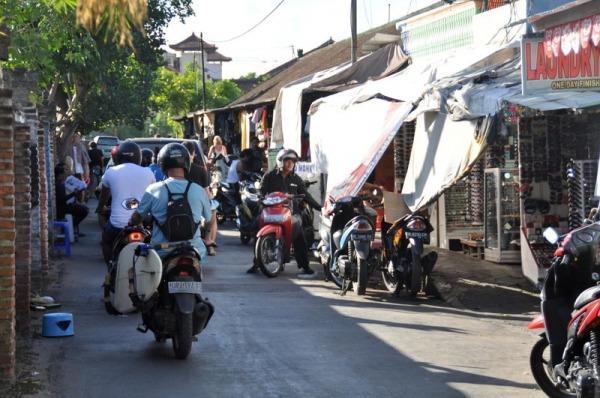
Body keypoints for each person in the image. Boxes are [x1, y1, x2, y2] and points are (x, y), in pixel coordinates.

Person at [129, 143, 212, 258]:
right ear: (187, 163)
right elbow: (208, 219)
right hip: (194, 250)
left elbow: (138, 216)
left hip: (161, 251)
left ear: (162, 164)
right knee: (198, 271)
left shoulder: (153, 190)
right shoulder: (199, 190)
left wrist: (131, 221)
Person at [247, 148, 322, 275]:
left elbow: (306, 196)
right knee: (255, 228)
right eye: (288, 161)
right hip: (271, 211)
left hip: (290, 213)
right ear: (280, 161)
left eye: (293, 162)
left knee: (299, 236)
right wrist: (261, 198)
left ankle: (304, 265)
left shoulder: (296, 179)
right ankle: (257, 261)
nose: (290, 164)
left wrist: (320, 207)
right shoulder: (269, 176)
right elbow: (261, 192)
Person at [96, 141, 155, 263]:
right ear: (139, 157)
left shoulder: (111, 172)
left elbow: (103, 196)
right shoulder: (148, 173)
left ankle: (109, 270)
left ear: (118, 156)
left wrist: (100, 208)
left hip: (117, 225)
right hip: (140, 223)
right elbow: (152, 196)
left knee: (106, 241)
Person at [183, 141, 218, 256]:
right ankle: (209, 241)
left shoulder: (175, 170)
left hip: (179, 205)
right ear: (194, 154)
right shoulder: (201, 170)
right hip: (197, 206)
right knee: (213, 211)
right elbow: (207, 193)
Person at [55, 163, 89, 239]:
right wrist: (74, 193)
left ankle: (73, 228)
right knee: (84, 211)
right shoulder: (59, 184)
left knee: (81, 208)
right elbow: (62, 199)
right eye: (64, 173)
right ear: (60, 175)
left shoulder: (60, 183)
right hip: (62, 209)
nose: (65, 175)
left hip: (64, 206)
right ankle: (70, 227)